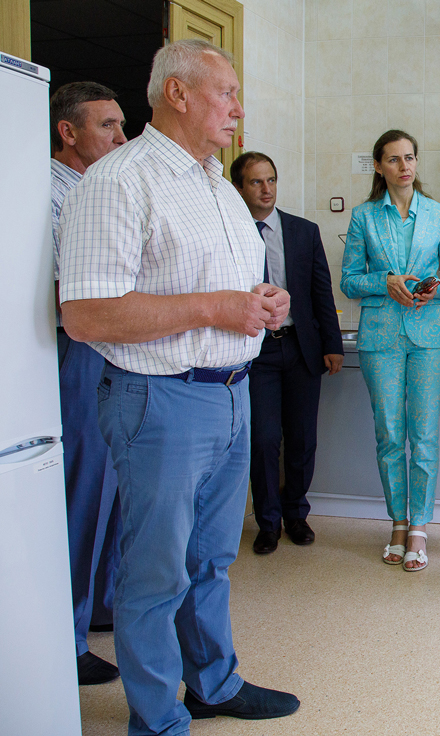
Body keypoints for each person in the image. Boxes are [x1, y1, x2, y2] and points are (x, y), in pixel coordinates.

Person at [58, 39, 300, 734]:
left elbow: (227, 288)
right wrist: (219, 308)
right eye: (227, 93)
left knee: (211, 559)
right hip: (159, 399)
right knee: (156, 571)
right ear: (178, 93)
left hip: (231, 393)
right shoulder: (119, 181)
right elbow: (87, 314)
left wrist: (262, 303)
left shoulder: (218, 186)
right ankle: (159, 717)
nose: (238, 108)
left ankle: (213, 684)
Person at [340, 129, 440, 572]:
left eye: (409, 157)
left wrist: (435, 289)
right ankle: (397, 523)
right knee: (390, 435)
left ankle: (419, 528)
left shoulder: (439, 214)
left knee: (424, 434)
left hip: (430, 337)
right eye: (393, 159)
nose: (404, 166)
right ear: (379, 166)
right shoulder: (364, 216)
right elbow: (350, 281)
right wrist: (385, 281)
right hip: (380, 337)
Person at [49, 80, 127, 686]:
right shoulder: (45, 195)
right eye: (108, 126)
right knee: (82, 488)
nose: (122, 137)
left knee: (110, 486)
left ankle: (101, 605)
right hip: (74, 348)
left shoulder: (94, 191)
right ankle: (67, 638)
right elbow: (62, 292)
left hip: (112, 348)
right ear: (67, 131)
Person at [231, 151, 344, 555]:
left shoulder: (303, 231)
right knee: (263, 440)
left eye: (271, 180)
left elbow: (320, 291)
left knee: (301, 438)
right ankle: (267, 522)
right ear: (239, 188)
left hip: (300, 347)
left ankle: (296, 514)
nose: (266, 189)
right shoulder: (230, 231)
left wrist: (332, 345)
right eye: (256, 182)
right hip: (255, 352)